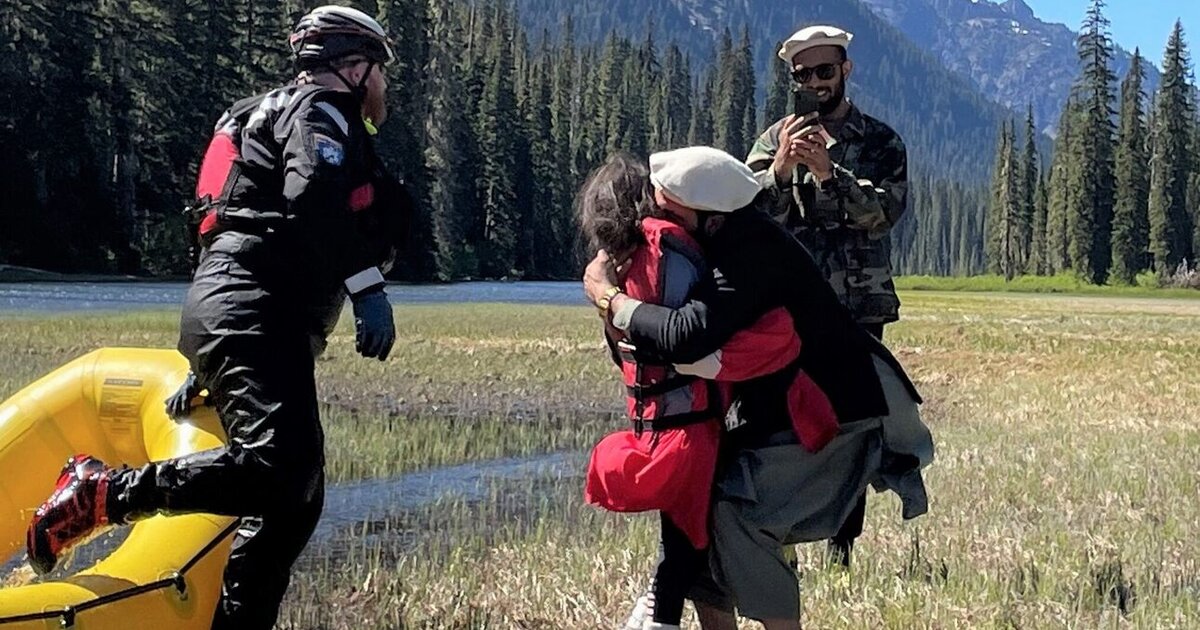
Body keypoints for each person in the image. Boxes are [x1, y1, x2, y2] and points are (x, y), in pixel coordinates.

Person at [25, 6, 411, 629]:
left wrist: (212, 361)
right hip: (252, 311)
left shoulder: (263, 114)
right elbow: (311, 197)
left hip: (236, 310)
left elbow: (223, 221)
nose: (385, 86)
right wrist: (366, 285)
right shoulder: (321, 110)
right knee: (281, 471)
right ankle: (103, 493)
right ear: (353, 66)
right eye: (382, 71)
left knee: (296, 497)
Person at [583, 147, 933, 629]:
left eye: (670, 212)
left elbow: (687, 335)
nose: (659, 219)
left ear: (711, 218)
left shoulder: (748, 254)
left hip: (834, 412)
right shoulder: (724, 238)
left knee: (739, 512)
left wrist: (609, 298)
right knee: (705, 516)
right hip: (782, 406)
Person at [746, 24, 910, 567]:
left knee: (854, 430)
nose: (815, 83)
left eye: (824, 71)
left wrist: (828, 174)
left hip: (857, 310)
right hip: (787, 313)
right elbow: (748, 222)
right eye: (803, 74)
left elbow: (883, 214)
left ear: (845, 70)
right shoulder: (772, 141)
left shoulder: (881, 142)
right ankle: (781, 544)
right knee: (778, 426)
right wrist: (780, 171)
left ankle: (843, 550)